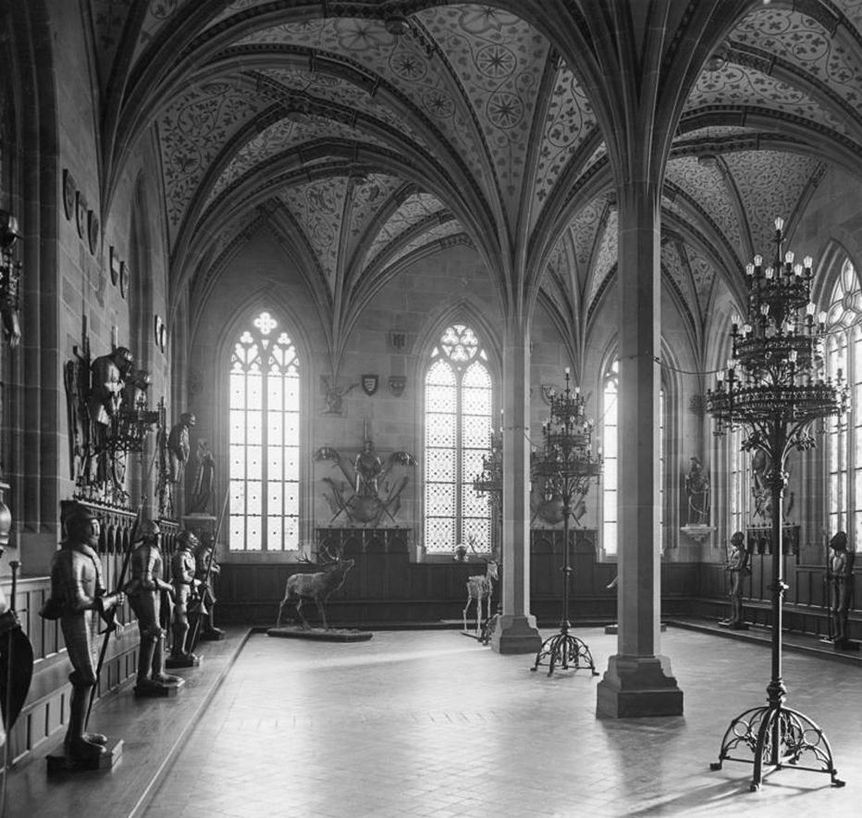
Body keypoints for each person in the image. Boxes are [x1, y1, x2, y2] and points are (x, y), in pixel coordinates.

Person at [39, 501, 124, 763]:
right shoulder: (68, 557)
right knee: (86, 676)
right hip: (75, 620)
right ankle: (74, 740)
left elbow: (97, 594)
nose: (97, 533)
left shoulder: (88, 556)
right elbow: (76, 601)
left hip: (90, 621)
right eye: (92, 528)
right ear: (78, 528)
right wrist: (111, 601)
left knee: (89, 677)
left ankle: (78, 734)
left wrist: (112, 617)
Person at [124, 521, 182, 695]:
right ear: (150, 535)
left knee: (157, 632)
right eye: (157, 534)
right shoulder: (147, 551)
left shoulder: (151, 551)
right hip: (145, 594)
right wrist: (168, 586)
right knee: (152, 632)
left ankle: (157, 673)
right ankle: (143, 679)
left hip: (151, 594)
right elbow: (146, 581)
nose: (160, 537)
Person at [167, 530, 200, 667]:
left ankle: (183, 650)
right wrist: (195, 582)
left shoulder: (189, 555)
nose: (194, 541)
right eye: (191, 539)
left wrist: (195, 589)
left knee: (188, 622)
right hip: (180, 590)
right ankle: (178, 651)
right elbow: (181, 576)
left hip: (188, 591)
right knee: (182, 623)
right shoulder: (179, 556)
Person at [193, 534, 225, 641]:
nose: (212, 542)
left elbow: (210, 563)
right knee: (209, 602)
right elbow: (201, 566)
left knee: (209, 603)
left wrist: (215, 566)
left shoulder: (208, 551)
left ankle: (208, 626)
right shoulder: (203, 551)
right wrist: (214, 569)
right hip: (203, 580)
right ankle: (207, 627)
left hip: (208, 580)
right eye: (210, 540)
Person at [828, 531, 854, 646]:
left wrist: (834, 575)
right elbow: (830, 570)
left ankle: (843, 635)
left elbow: (847, 573)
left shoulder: (847, 555)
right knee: (834, 609)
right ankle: (837, 633)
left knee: (842, 610)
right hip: (835, 583)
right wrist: (829, 575)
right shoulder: (832, 555)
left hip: (845, 583)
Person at [720, 531, 750, 629]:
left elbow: (739, 565)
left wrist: (731, 567)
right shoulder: (734, 551)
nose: (731, 540)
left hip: (739, 574)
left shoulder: (743, 551)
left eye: (734, 538)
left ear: (739, 540)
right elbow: (732, 562)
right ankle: (733, 616)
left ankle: (738, 618)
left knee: (737, 595)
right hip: (733, 574)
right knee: (732, 595)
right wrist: (728, 565)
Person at [167, 412, 195, 484]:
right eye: (191, 421)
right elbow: (179, 443)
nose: (192, 424)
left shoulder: (185, 429)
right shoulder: (179, 429)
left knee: (176, 478)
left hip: (180, 457)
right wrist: (183, 456)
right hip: (176, 455)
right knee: (174, 476)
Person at [188, 438, 215, 514]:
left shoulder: (208, 453)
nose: (204, 446)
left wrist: (210, 460)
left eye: (205, 445)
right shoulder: (198, 453)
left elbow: (212, 464)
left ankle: (203, 507)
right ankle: (196, 508)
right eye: (203, 445)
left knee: (207, 492)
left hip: (207, 475)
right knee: (198, 491)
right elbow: (199, 462)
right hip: (200, 475)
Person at [684, 456, 710, 525]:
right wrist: (688, 480)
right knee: (693, 509)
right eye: (691, 463)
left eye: (692, 463)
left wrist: (690, 480)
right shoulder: (691, 472)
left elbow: (701, 482)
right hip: (693, 493)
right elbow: (690, 482)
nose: (691, 464)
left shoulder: (701, 472)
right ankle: (693, 521)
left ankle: (701, 521)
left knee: (700, 508)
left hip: (700, 494)